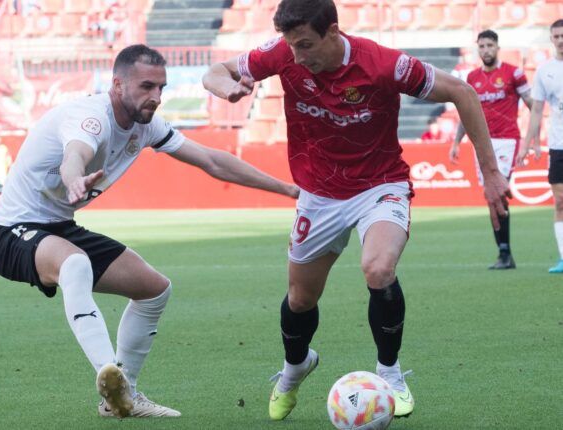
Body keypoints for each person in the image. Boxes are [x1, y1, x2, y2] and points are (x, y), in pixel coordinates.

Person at [202, 0, 509, 422]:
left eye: (306, 45)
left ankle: (391, 375)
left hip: (380, 184)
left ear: (333, 33)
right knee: (300, 297)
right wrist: (225, 87)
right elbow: (215, 71)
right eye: (292, 47)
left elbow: (462, 91)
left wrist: (490, 173)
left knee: (378, 268)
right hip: (319, 194)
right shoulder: (282, 53)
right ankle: (295, 369)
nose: (297, 57)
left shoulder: (382, 64)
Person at [0, 44, 299, 419]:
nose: (156, 97)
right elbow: (75, 156)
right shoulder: (91, 118)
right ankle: (108, 372)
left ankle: (121, 399)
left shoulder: (147, 126)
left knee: (153, 289)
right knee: (75, 264)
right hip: (10, 232)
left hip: (57, 227)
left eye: (162, 88)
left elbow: (213, 161)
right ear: (117, 85)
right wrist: (73, 181)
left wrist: (289, 190)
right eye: (146, 86)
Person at [449, 30, 533, 270]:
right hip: (482, 143)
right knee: (490, 197)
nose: (485, 50)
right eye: (482, 46)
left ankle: (505, 253)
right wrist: (456, 142)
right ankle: (504, 253)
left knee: (497, 191)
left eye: (489, 45)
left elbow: (531, 105)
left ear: (497, 47)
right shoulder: (472, 78)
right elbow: (467, 114)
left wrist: (533, 139)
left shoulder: (513, 73)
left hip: (507, 140)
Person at [517, 20, 563, 273]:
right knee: (559, 202)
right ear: (551, 39)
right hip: (558, 145)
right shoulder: (545, 71)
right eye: (556, 36)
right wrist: (527, 144)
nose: (560, 40)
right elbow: (536, 110)